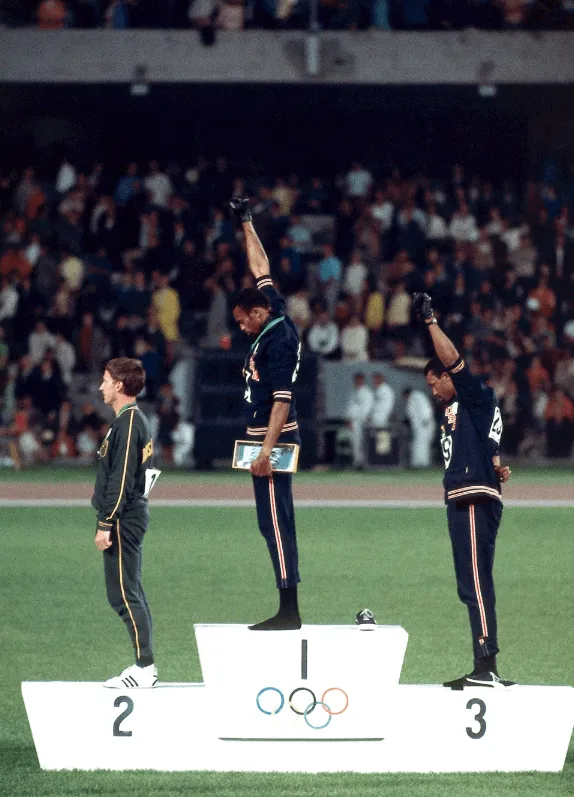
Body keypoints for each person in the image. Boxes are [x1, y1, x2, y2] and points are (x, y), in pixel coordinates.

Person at [413, 292, 515, 690]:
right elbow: (490, 447)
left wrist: (430, 322)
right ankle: (481, 664)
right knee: (469, 583)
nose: (433, 391)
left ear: (445, 376)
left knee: (475, 581)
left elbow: (454, 359)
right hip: (467, 496)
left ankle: (486, 666)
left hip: (473, 499)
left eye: (433, 382)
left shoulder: (474, 394)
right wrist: (495, 465)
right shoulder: (465, 410)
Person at [229, 196, 302, 631]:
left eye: (242, 321)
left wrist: (265, 450)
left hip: (273, 437)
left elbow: (282, 399)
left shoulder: (278, 339)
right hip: (264, 434)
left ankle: (289, 609)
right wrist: (247, 221)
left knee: (276, 519)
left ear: (258, 313)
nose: (241, 328)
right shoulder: (272, 309)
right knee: (269, 519)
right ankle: (286, 603)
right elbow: (261, 266)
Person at [92, 357, 159, 688]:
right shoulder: (130, 421)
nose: (101, 386)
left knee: (123, 593)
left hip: (122, 517)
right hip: (128, 514)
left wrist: (106, 522)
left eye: (106, 380)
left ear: (119, 385)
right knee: (128, 589)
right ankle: (145, 663)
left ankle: (144, 666)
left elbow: (120, 480)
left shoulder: (129, 422)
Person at [345, 373, 374, 469]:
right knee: (354, 443)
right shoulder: (353, 391)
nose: (358, 381)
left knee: (360, 443)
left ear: (363, 380)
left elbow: (367, 409)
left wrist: (363, 420)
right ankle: (356, 462)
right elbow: (350, 407)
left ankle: (361, 464)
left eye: (360, 379)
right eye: (356, 379)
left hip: (361, 422)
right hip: (353, 421)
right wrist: (348, 419)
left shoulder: (366, 392)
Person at [403, 387, 435, 468]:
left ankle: (421, 463)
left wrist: (425, 419)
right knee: (419, 444)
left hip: (424, 425)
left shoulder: (417, 396)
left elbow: (425, 408)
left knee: (422, 444)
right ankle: (418, 463)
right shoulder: (412, 399)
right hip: (419, 426)